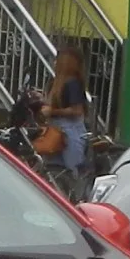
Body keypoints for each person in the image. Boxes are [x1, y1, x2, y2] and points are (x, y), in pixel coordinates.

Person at [41, 45, 89, 173]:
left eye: (58, 59)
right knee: (54, 171)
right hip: (57, 130)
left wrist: (52, 111)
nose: (55, 62)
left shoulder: (72, 83)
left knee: (73, 170)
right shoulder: (55, 82)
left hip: (70, 131)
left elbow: (77, 111)